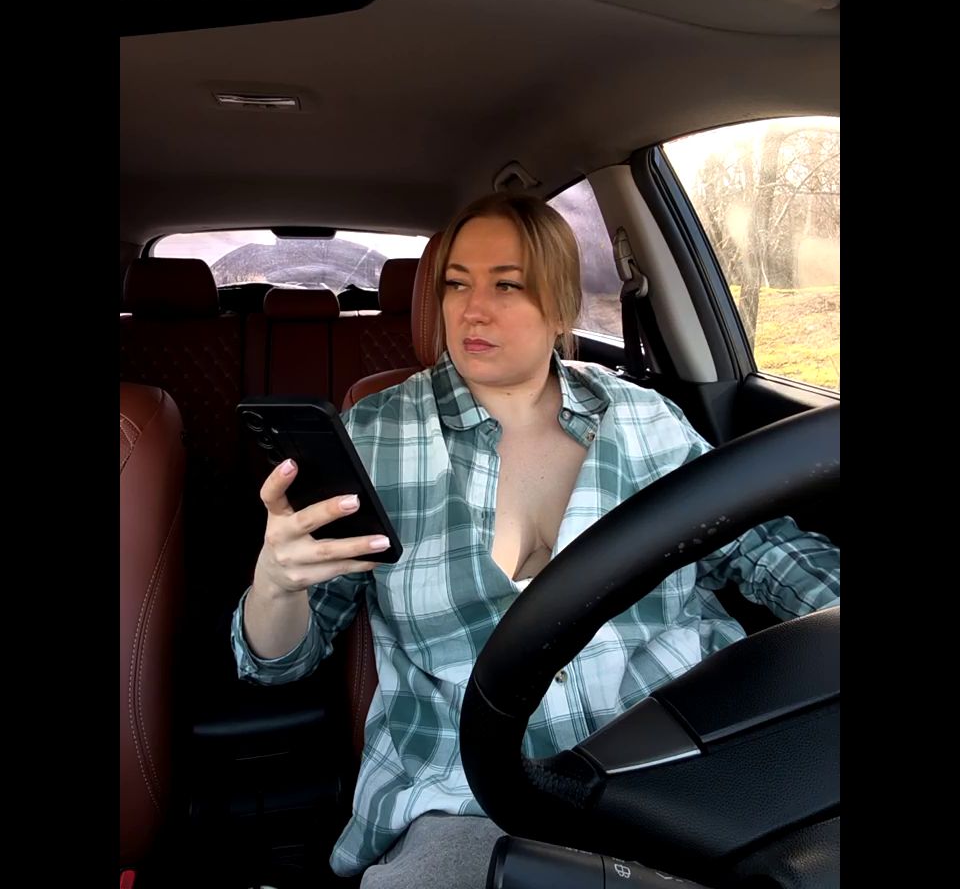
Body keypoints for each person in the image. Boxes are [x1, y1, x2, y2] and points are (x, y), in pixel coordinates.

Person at [231, 192, 840, 887]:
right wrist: (275, 584)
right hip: (466, 801)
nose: (472, 310)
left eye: (506, 285)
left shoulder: (645, 418)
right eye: (456, 284)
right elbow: (278, 665)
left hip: (682, 771)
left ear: (560, 306)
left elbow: (761, 549)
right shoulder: (373, 437)